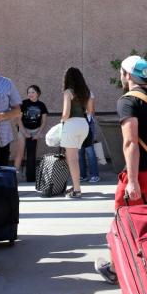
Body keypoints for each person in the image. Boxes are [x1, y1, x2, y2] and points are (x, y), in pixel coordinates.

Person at [94, 55, 147, 285]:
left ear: (127, 75)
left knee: (125, 224)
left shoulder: (128, 101)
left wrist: (132, 181)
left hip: (144, 174)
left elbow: (130, 142)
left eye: (121, 72)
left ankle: (114, 269)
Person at [60, 67, 94, 198]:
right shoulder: (86, 92)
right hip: (84, 125)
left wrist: (61, 120)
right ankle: (75, 186)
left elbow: (66, 114)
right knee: (75, 158)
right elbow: (90, 111)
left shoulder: (68, 92)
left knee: (72, 159)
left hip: (71, 125)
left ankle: (77, 190)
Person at [19, 85, 49, 183]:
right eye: (29, 92)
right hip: (24, 130)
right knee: (20, 152)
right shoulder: (23, 103)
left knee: (32, 154)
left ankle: (31, 178)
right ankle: (14, 175)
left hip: (36, 131)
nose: (30, 94)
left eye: (33, 92)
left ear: (38, 94)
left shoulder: (42, 105)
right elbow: (18, 119)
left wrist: (38, 134)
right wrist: (24, 132)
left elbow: (43, 121)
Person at [79, 116, 101, 184]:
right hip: (78, 127)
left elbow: (91, 112)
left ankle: (94, 175)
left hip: (87, 127)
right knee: (80, 153)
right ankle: (83, 175)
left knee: (90, 152)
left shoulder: (86, 106)